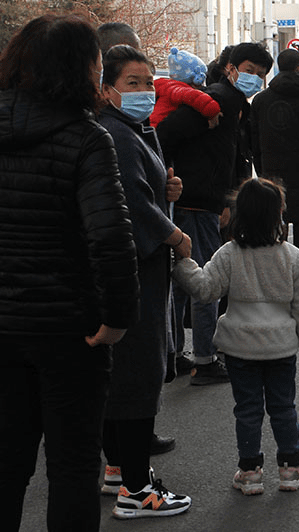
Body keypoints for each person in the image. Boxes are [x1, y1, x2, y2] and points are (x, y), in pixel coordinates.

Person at [0, 14, 138, 531]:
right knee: (73, 466)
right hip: (71, 331)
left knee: (6, 464)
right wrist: (118, 317)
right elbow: (109, 237)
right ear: (79, 69)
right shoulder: (86, 138)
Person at [172, 177, 299, 495]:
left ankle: (250, 471)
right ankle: (291, 468)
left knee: (248, 410)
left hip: (240, 349)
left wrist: (183, 263)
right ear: (278, 215)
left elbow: (205, 289)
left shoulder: (229, 254)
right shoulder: (292, 257)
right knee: (283, 407)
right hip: (280, 349)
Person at [96, 44, 192, 518]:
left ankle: (118, 469)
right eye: (132, 83)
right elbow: (132, 203)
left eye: (148, 82)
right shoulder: (116, 133)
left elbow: (144, 188)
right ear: (106, 88)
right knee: (137, 374)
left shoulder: (131, 129)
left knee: (125, 374)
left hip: (136, 269)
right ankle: (137, 489)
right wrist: (173, 233)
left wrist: (167, 189)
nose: (144, 91)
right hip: (136, 269)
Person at [157, 42, 274, 385]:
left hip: (201, 200)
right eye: (249, 70)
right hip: (195, 202)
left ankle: (176, 353)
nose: (254, 79)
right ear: (231, 68)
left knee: (183, 279)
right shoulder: (220, 99)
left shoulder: (234, 102)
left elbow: (227, 156)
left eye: (261, 75)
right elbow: (166, 135)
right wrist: (172, 178)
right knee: (207, 283)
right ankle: (205, 361)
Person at [250, 48, 299, 282]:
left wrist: (260, 167)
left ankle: (276, 272)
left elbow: (254, 139)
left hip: (271, 171)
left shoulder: (261, 100)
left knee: (275, 221)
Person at [150, 47, 221, 128]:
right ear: (194, 79)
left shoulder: (167, 86)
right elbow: (195, 96)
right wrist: (213, 110)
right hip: (158, 131)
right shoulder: (176, 89)